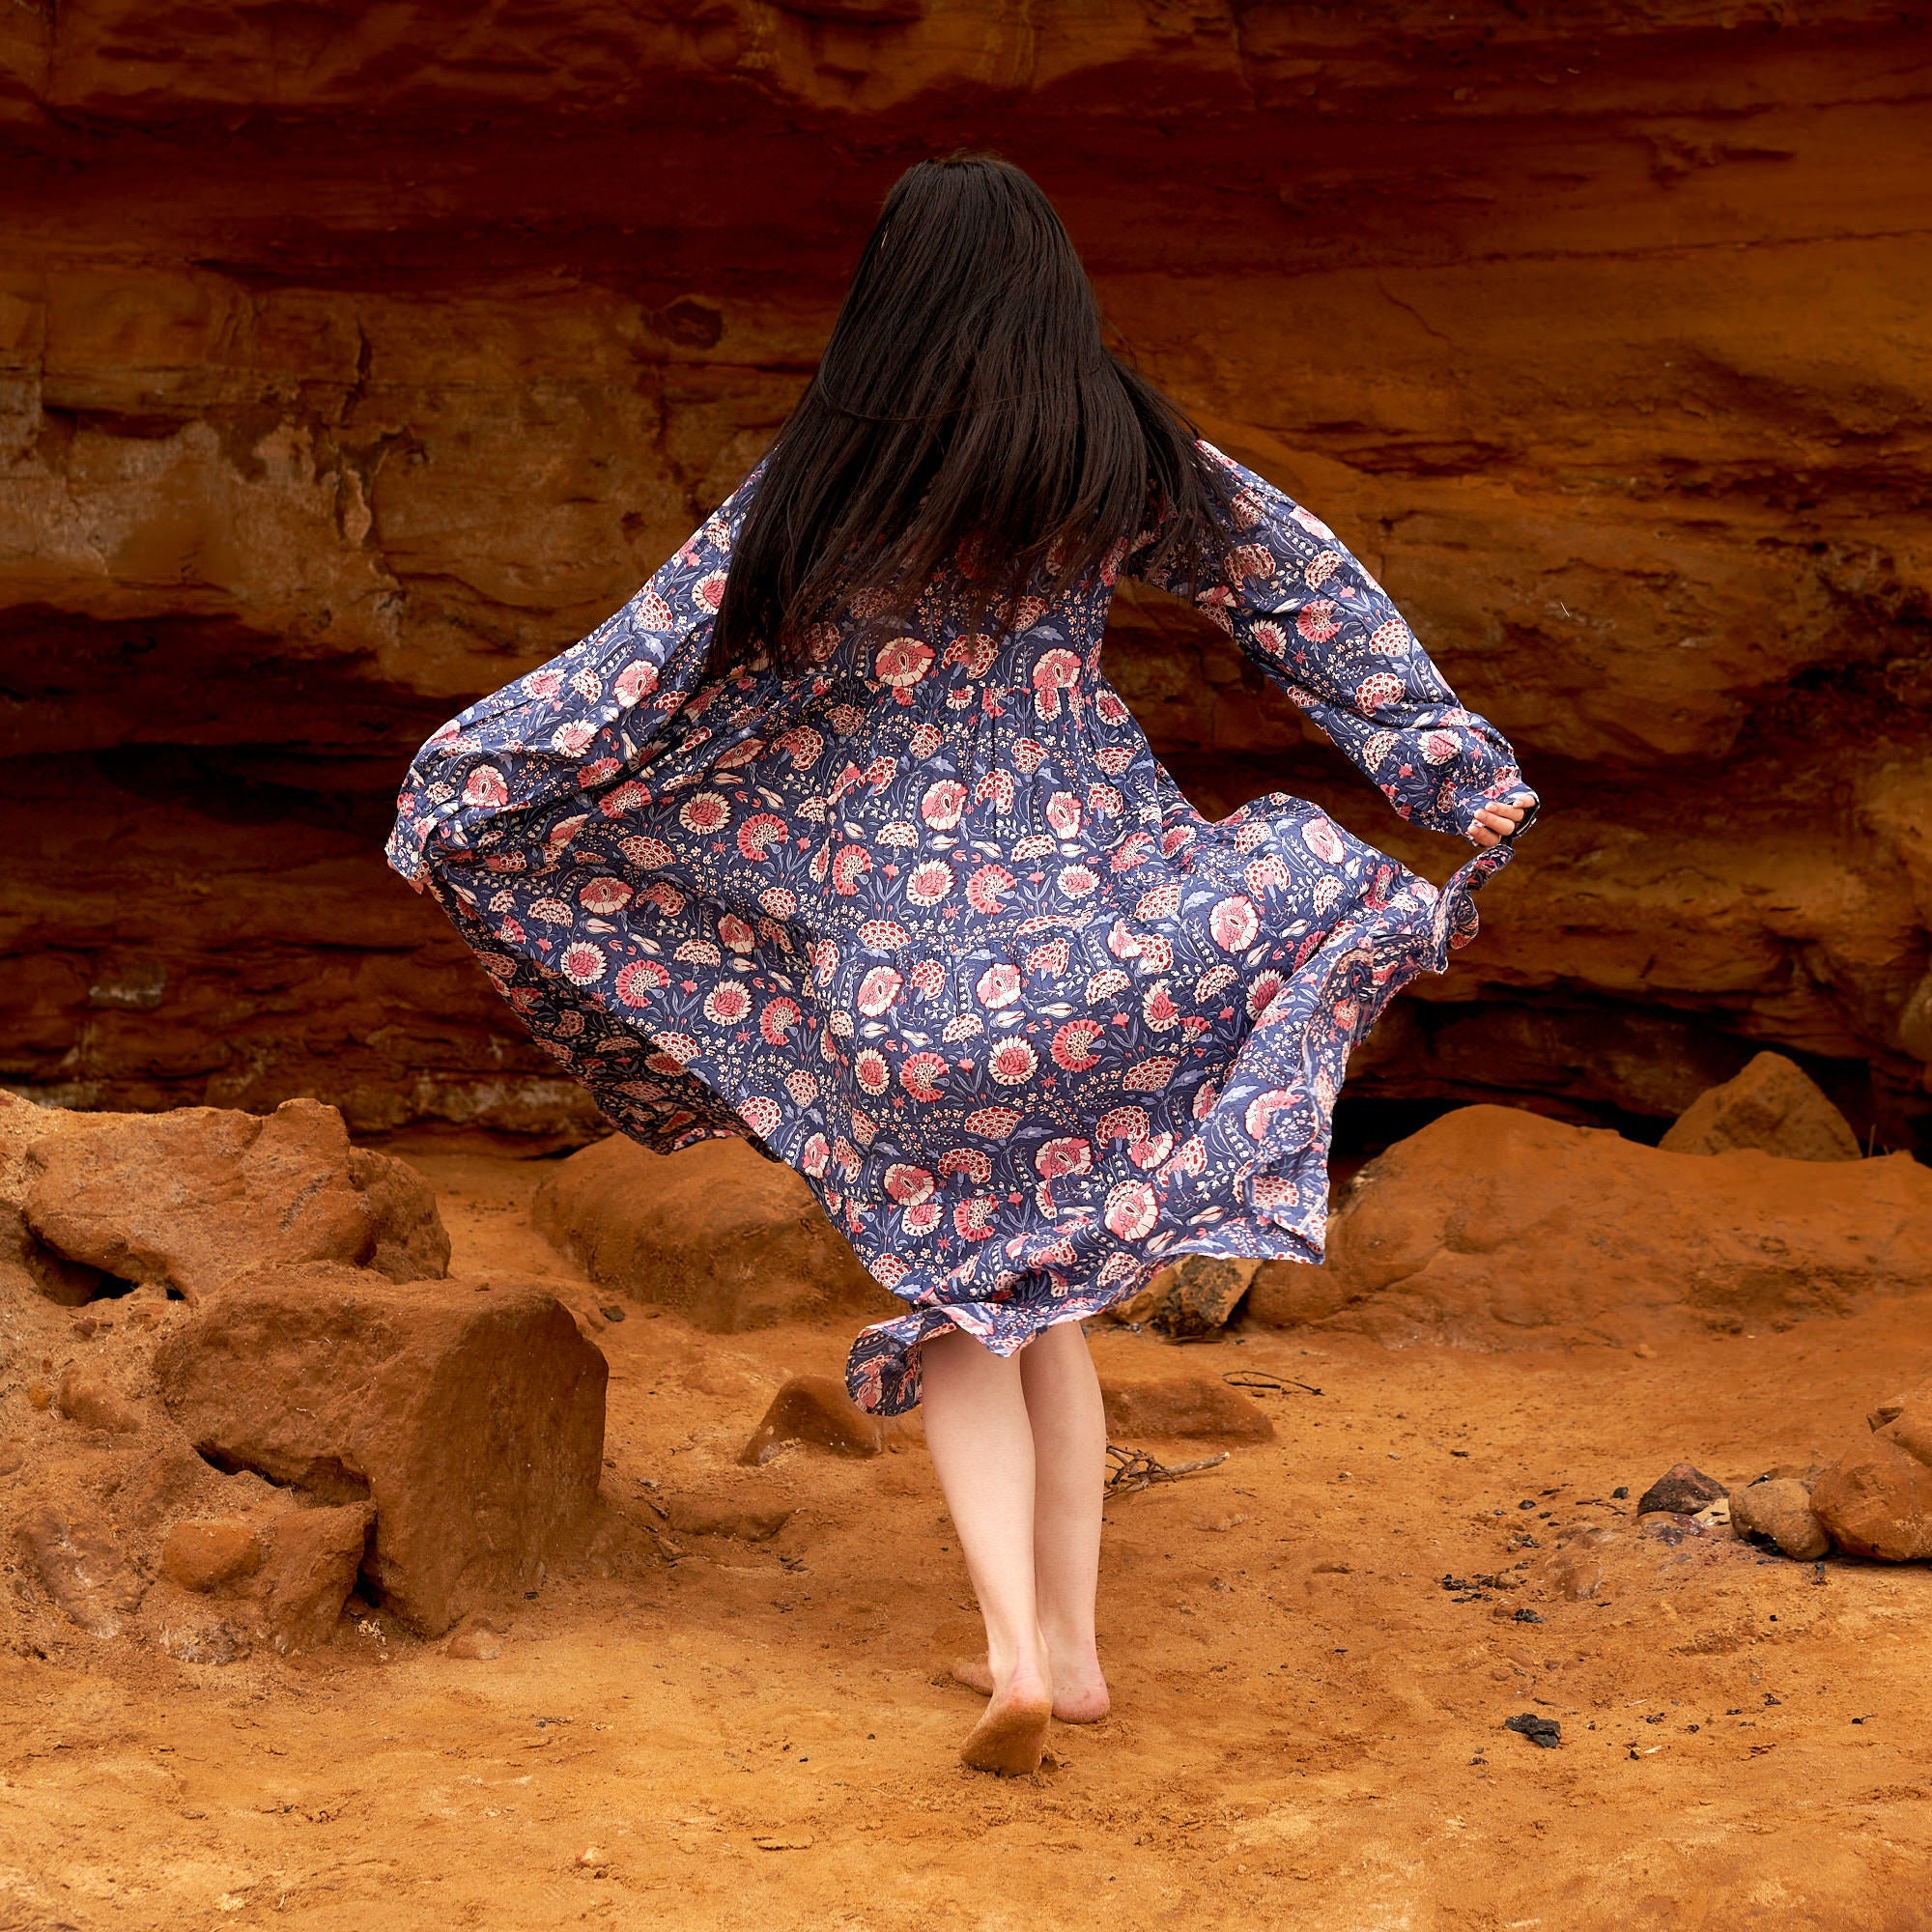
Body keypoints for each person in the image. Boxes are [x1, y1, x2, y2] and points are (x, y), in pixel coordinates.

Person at [387, 153, 1537, 1776]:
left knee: (964, 1303)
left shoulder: (820, 479)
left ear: (890, 293)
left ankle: (1014, 1655)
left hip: (900, 977)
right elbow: (1304, 594)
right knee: (1039, 1299)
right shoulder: (1115, 451)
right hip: (1104, 935)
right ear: (1053, 286)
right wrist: (1452, 772)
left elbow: (629, 675)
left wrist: (464, 787)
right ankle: (1072, 1654)